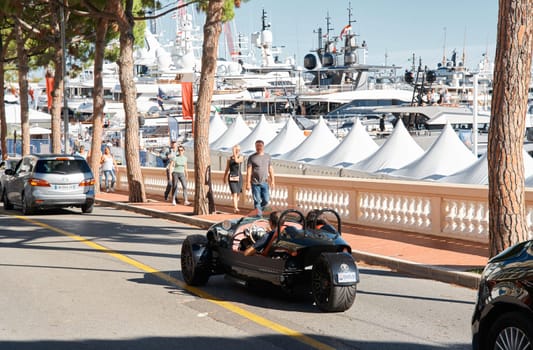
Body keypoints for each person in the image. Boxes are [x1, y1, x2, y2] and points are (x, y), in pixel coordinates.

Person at [246, 140, 275, 217]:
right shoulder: (251, 157)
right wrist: (248, 183)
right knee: (257, 201)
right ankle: (258, 215)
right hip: (255, 183)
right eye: (257, 146)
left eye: (260, 146)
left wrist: (273, 181)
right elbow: (249, 171)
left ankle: (258, 211)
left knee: (266, 200)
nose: (258, 148)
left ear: (263, 146)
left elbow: (271, 169)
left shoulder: (267, 156)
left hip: (265, 183)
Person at [224, 144, 244, 213]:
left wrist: (235, 154)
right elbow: (227, 169)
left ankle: (236, 206)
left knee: (237, 194)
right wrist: (224, 177)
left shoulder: (241, 157)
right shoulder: (229, 159)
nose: (237, 151)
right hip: (232, 177)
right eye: (236, 150)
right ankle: (235, 208)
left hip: (238, 177)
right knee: (234, 193)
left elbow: (236, 161)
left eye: (238, 150)